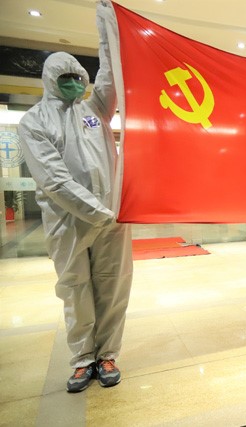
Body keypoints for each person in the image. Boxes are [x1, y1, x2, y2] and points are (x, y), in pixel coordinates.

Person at [18, 0, 133, 392]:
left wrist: (107, 20)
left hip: (111, 220)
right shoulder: (34, 121)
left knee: (113, 287)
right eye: (64, 76)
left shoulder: (95, 110)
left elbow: (111, 72)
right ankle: (83, 359)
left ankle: (108, 354)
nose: (72, 81)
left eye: (76, 75)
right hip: (69, 223)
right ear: (50, 79)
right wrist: (101, 212)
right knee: (75, 290)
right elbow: (54, 180)